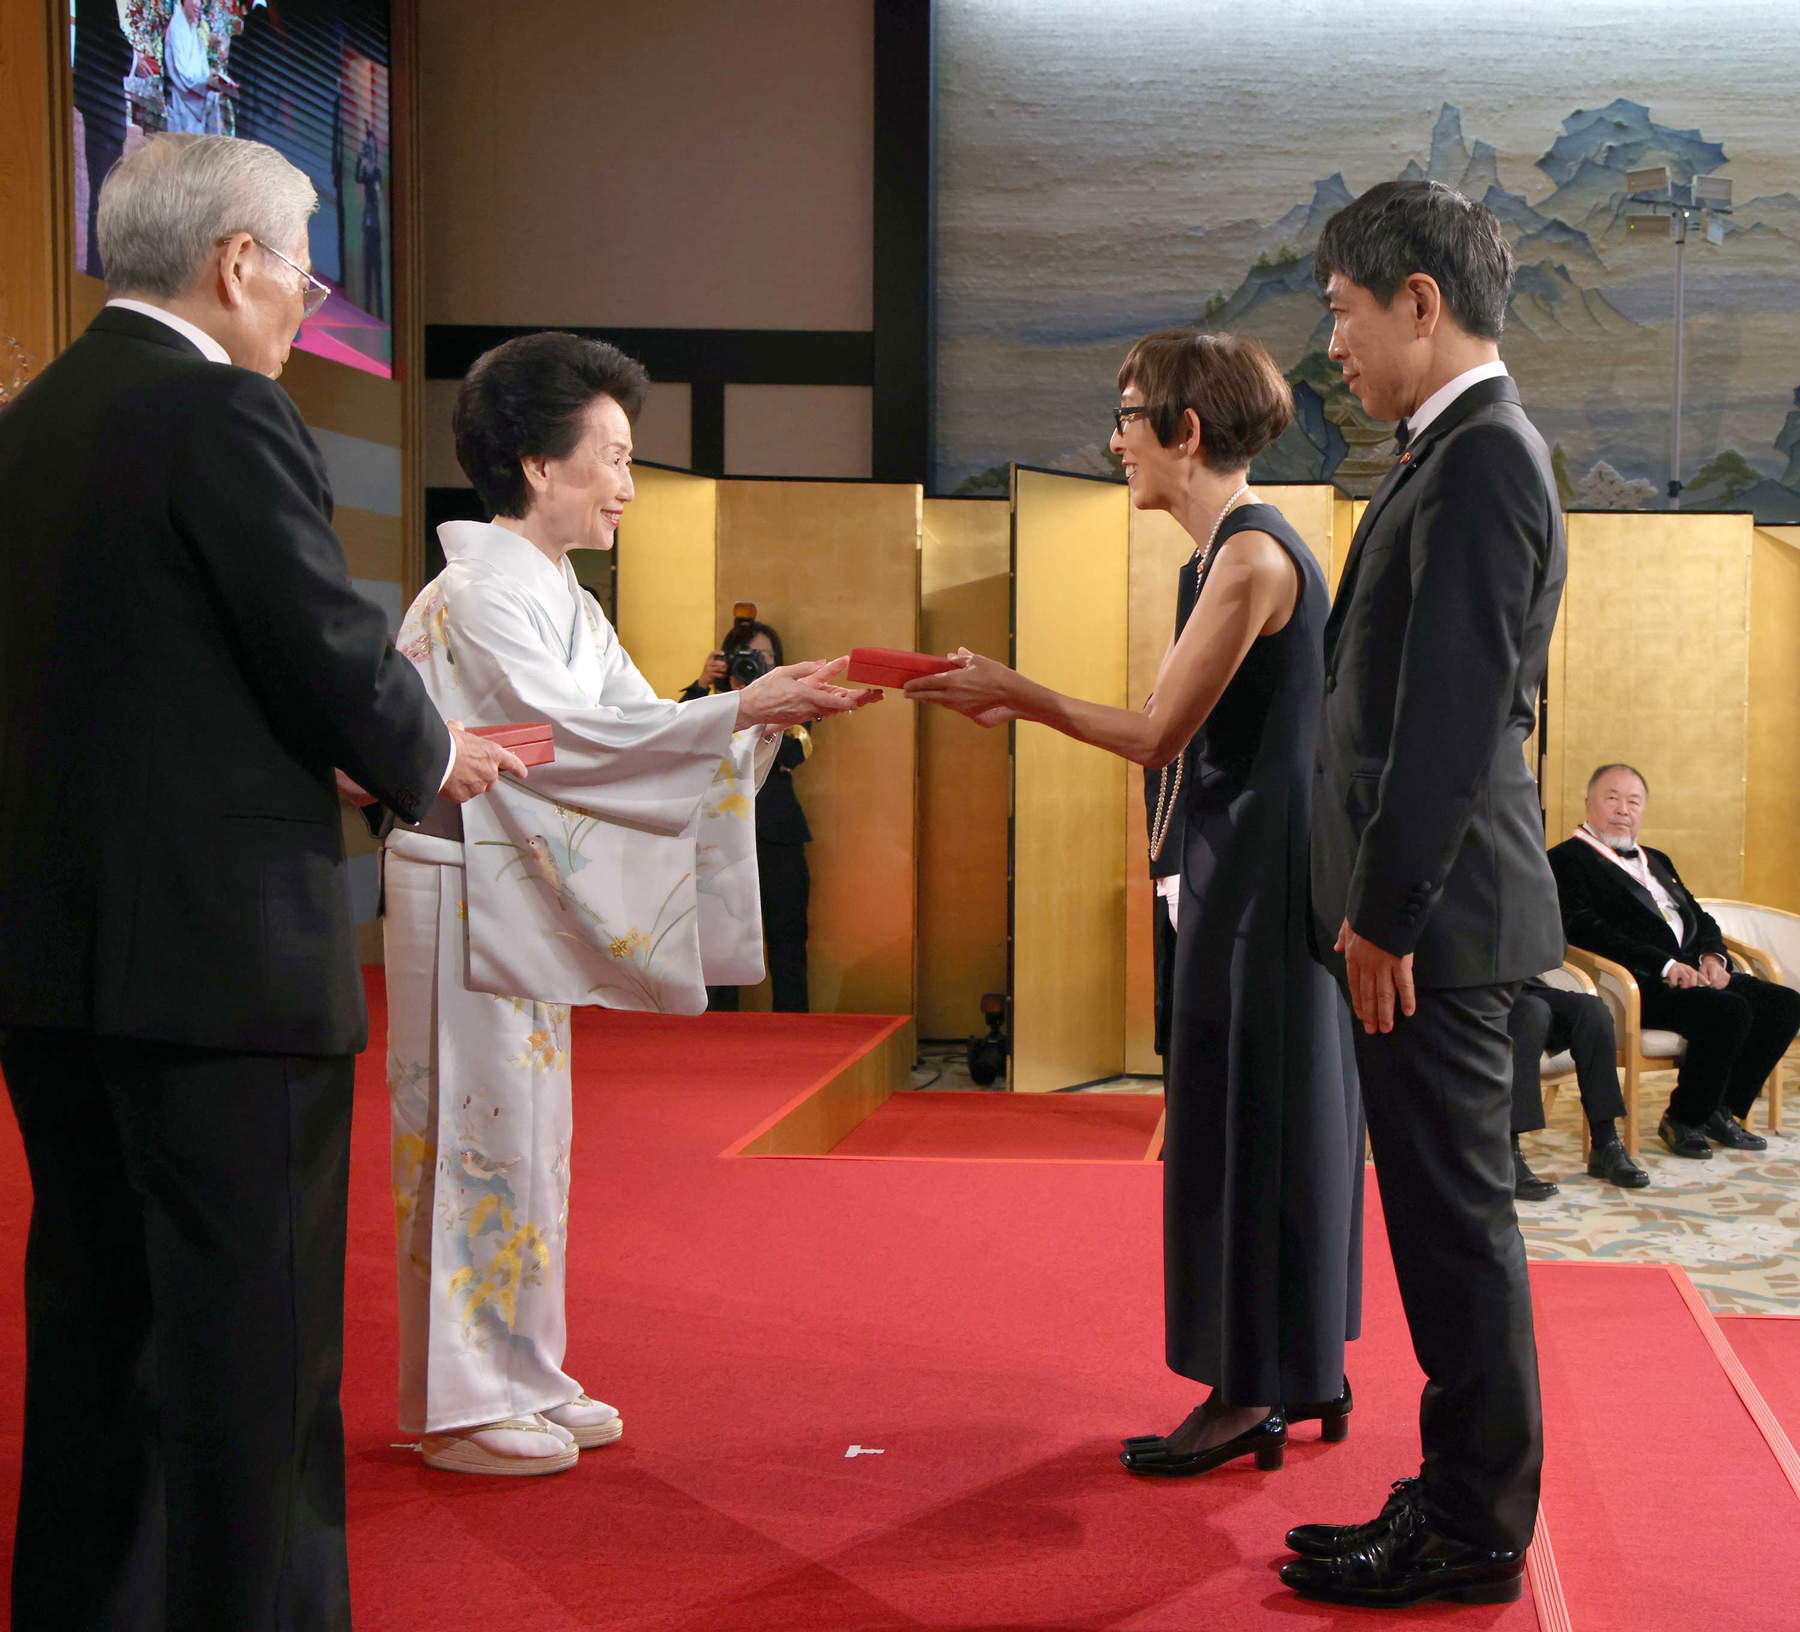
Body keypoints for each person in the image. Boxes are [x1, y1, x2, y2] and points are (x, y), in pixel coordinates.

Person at [0, 132, 519, 1632]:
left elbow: (142, 679)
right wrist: (430, 754)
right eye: (302, 268)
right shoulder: (221, 411)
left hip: (49, 957)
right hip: (222, 968)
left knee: (94, 1325)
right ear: (237, 264)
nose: (306, 301)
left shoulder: (30, 427)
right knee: (252, 1349)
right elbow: (322, 644)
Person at [384, 331, 877, 1476]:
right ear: (537, 464)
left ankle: (524, 1372)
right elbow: (574, 741)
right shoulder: (475, 594)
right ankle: (462, 1404)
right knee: (468, 1136)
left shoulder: (555, 592)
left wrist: (748, 715)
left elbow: (627, 725)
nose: (627, 485)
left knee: (527, 1142)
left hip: (507, 882)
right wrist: (738, 708)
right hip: (459, 882)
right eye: (611, 457)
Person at [908, 330, 1363, 1480]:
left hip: (1261, 889)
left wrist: (1016, 691)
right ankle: (1304, 1368)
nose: (1115, 442)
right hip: (1247, 873)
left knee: (1247, 1133)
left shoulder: (1249, 559)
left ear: (1185, 430)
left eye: (1126, 417)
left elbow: (1160, 733)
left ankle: (1246, 1394)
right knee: (1270, 1124)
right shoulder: (1223, 556)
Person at [1290, 179, 1566, 1609]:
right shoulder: (1449, 450)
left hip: (1437, 927)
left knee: (1458, 1234)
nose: (1330, 342)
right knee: (1444, 1231)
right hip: (1428, 918)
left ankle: (1473, 1527)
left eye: (1342, 311)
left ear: (1419, 301)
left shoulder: (1484, 457)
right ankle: (1458, 1493)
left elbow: (1451, 719)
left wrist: (1386, 913)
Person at [1548, 763, 1800, 1158]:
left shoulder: (1657, 859)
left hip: (1693, 973)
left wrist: (1714, 957)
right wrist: (1665, 965)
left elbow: (1700, 917)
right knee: (1728, 1010)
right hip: (1637, 983)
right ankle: (1683, 1118)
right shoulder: (1565, 860)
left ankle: (1720, 1109)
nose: (1623, 809)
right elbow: (1585, 930)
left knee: (1785, 1004)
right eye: (1612, 798)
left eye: (1634, 801)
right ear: (1588, 804)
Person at [683, 617, 814, 1012]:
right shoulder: (709, 705)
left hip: (777, 834)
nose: (757, 663)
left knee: (788, 935)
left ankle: (794, 1024)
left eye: (766, 657)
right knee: (721, 933)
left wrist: (762, 705)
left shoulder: (793, 706)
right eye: (748, 656)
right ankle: (718, 1025)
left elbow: (792, 753)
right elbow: (681, 742)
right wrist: (705, 685)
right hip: (718, 837)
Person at [1506, 978, 1646, 1199]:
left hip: (1525, 984)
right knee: (1533, 1012)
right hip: (1479, 991)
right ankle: (1506, 1152)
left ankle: (1605, 1142)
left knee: (1593, 1011)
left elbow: (1551, 955)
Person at [164, 0, 225, 133]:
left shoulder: (193, 29)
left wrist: (211, 78)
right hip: (183, 100)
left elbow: (202, 65)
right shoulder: (177, 27)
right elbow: (181, 75)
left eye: (201, 1)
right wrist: (206, 82)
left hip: (197, 96)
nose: (199, 5)